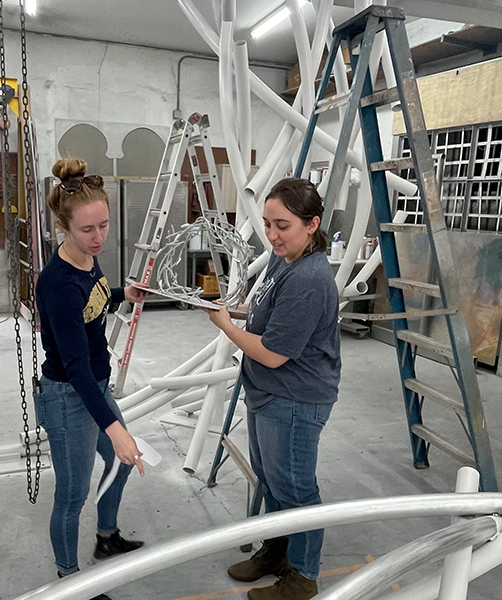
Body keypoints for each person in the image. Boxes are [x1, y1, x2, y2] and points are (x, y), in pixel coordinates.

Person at [204, 178, 341, 600]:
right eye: (267, 224)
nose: (272, 235)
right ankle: (278, 550)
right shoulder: (285, 259)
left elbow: (274, 354)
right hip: (269, 392)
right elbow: (268, 310)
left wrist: (226, 325)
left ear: (312, 223)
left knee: (296, 486)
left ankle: (303, 576)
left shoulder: (308, 278)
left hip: (295, 397)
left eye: (281, 225)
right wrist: (235, 309)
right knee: (272, 478)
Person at [35, 158, 149, 599]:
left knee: (121, 464)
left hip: (94, 387)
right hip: (68, 396)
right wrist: (115, 428)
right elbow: (77, 368)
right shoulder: (59, 284)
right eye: (87, 230)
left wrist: (123, 293)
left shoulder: (86, 261)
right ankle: (70, 579)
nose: (99, 237)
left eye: (103, 225)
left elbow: (96, 301)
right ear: (63, 227)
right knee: (71, 494)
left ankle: (106, 538)